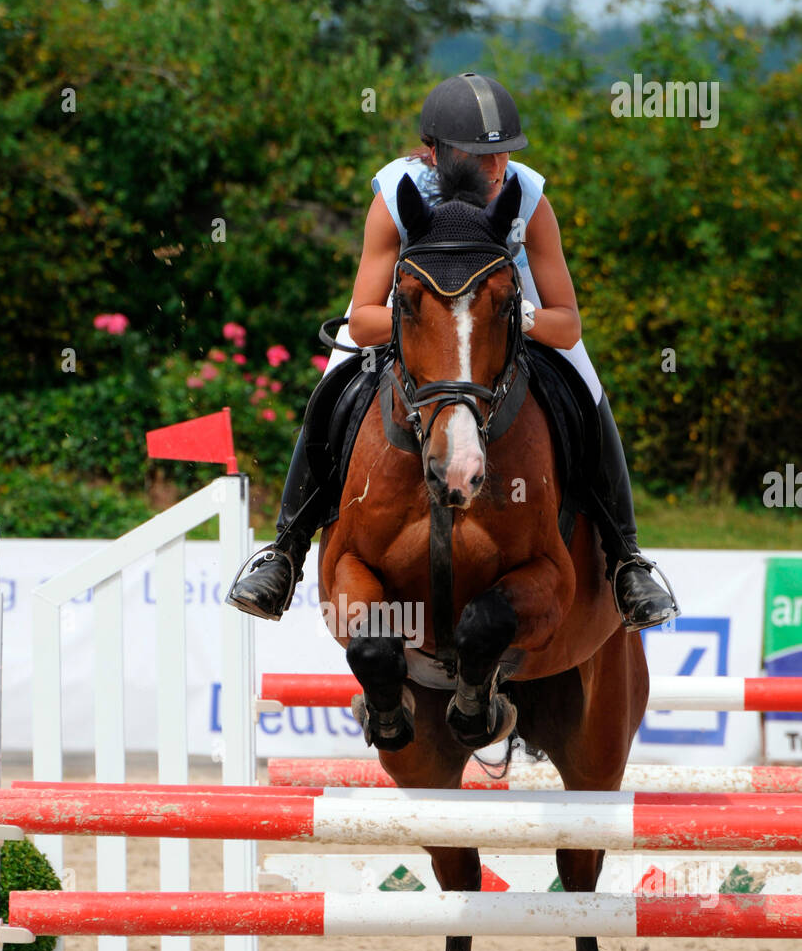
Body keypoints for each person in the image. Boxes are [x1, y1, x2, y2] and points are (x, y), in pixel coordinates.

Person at [229, 72, 678, 631]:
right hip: (414, 325)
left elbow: (567, 324)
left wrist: (507, 317)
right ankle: (285, 551)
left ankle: (627, 558)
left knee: (587, 391)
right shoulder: (398, 196)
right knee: (332, 385)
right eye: (479, 155)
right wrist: (432, 320)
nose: (496, 170)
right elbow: (364, 316)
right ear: (436, 153)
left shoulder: (529, 200)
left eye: (503, 155)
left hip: (510, 322)